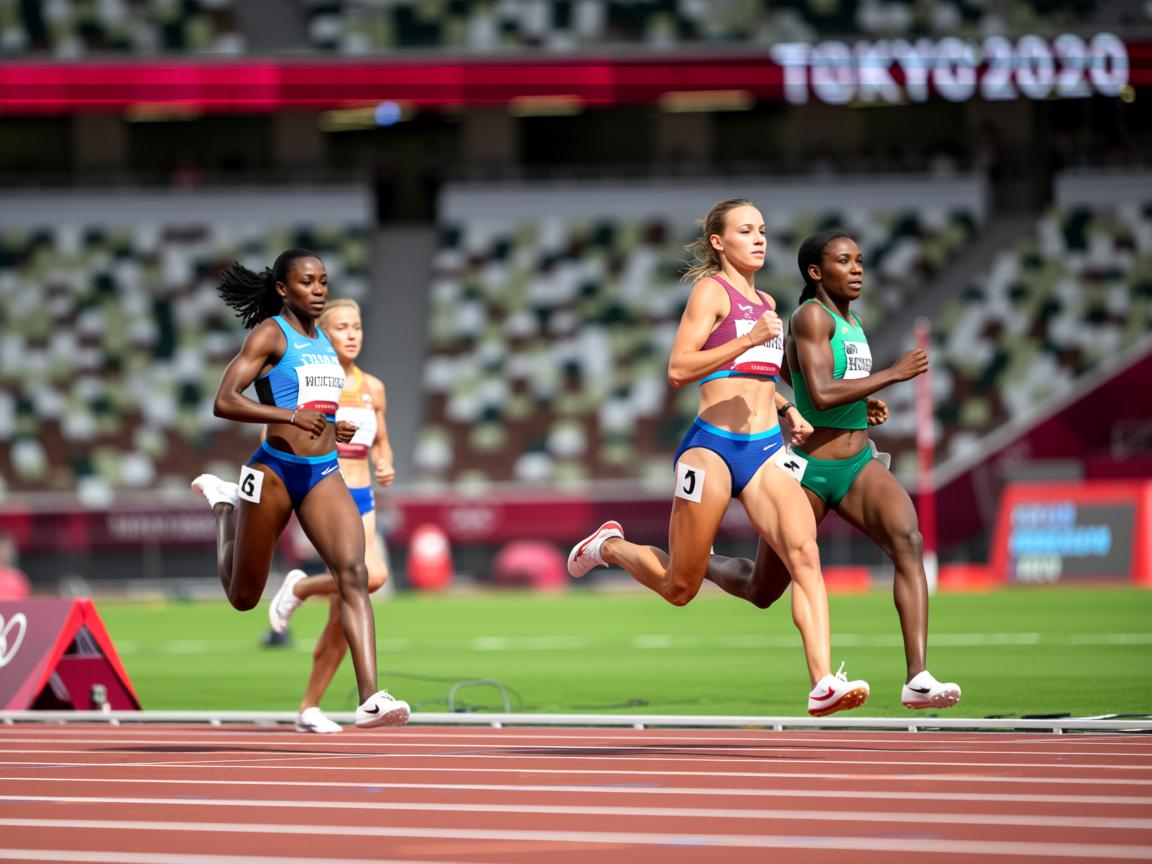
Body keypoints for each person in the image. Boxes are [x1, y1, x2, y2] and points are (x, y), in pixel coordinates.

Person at [567, 199, 871, 717]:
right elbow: (680, 369)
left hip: (766, 451)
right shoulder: (711, 293)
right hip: (711, 449)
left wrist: (783, 406)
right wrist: (749, 338)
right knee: (680, 587)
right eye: (746, 230)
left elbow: (754, 375)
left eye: (763, 230)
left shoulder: (769, 301)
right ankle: (612, 546)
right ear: (718, 242)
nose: (759, 239)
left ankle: (823, 680)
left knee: (805, 555)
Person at [703, 230, 961, 710]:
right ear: (817, 272)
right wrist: (892, 373)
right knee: (762, 590)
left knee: (908, 540)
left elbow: (792, 370)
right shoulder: (811, 316)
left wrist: (864, 401)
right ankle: (699, 561)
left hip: (858, 464)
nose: (858, 268)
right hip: (807, 473)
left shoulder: (850, 318)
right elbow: (820, 393)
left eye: (860, 260)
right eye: (845, 261)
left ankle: (918, 677)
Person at [190, 249, 409, 729]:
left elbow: (317, 410)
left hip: (322, 473)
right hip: (272, 473)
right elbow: (224, 401)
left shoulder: (326, 346)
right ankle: (226, 509)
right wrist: (290, 417)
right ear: (283, 290)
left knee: (354, 573)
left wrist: (334, 429)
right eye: (307, 282)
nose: (318, 290)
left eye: (323, 281)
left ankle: (371, 697)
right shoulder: (271, 334)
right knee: (244, 596)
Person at [263, 298, 397, 733]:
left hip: (366, 497)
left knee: (342, 619)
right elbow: (279, 431)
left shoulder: (373, 387)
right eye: (342, 327)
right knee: (371, 577)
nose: (353, 334)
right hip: (330, 492)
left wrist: (385, 461)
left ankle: (308, 708)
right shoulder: (315, 385)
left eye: (357, 326)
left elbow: (381, 440)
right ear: (323, 335)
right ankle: (302, 586)